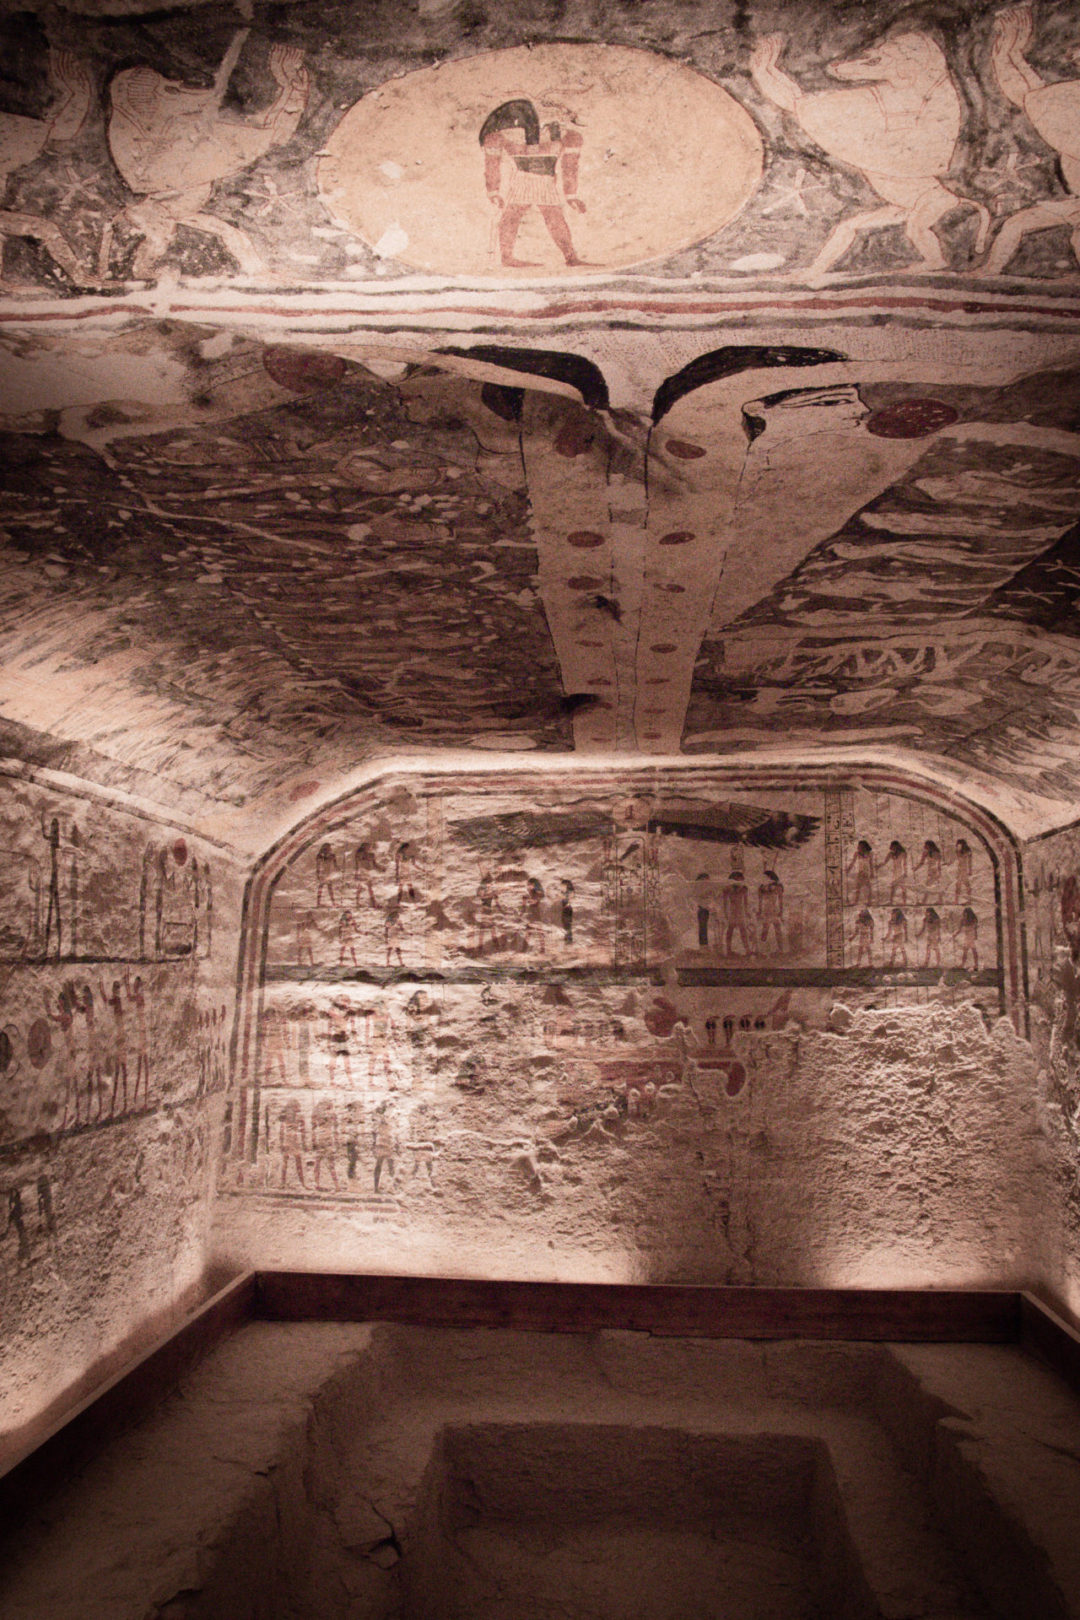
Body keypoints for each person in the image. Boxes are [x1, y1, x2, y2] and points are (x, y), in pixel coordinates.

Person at [480, 98, 587, 268]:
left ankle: (570, 257)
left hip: (545, 182)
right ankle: (507, 257)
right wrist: (493, 191)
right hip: (523, 180)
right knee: (514, 215)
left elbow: (570, 166)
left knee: (552, 216)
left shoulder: (570, 136)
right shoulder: (507, 135)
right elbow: (492, 160)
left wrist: (571, 195)